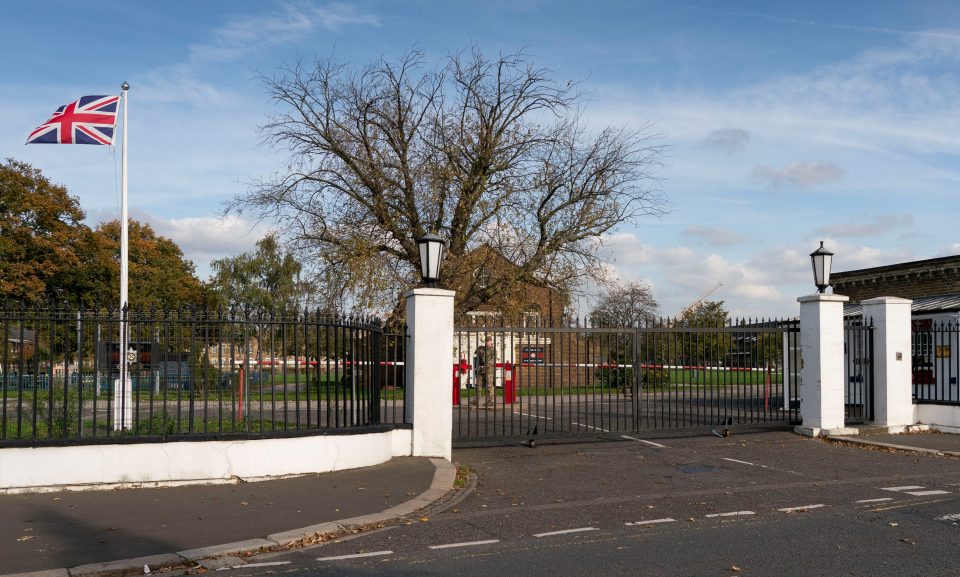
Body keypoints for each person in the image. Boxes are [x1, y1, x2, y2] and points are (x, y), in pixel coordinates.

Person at [473, 335, 497, 407]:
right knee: (479, 385)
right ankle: (475, 400)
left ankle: (491, 401)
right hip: (481, 370)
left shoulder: (493, 350)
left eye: (488, 341)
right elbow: (476, 355)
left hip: (489, 371)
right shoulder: (481, 348)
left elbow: (492, 361)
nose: (487, 342)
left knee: (489, 386)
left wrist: (485, 365)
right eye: (486, 341)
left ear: (491, 341)